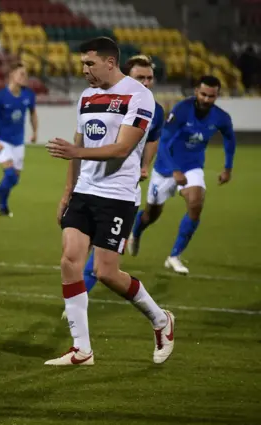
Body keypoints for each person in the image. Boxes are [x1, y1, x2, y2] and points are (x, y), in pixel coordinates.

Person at [45, 37, 175, 366]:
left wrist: (77, 152)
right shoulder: (87, 97)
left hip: (118, 196)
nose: (84, 70)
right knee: (69, 262)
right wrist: (66, 192)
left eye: (90, 64)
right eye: (82, 65)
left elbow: (121, 148)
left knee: (105, 272)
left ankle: (161, 320)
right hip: (85, 191)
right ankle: (82, 349)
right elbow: (78, 144)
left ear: (110, 63)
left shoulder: (139, 96)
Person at [127, 75, 236, 275]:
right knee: (151, 215)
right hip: (165, 168)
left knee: (195, 203)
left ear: (217, 96)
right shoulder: (181, 111)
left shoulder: (221, 117)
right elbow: (164, 143)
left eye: (211, 96)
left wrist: (228, 168)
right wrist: (174, 170)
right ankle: (136, 233)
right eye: (203, 94)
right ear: (196, 91)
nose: (206, 99)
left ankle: (174, 256)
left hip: (193, 167)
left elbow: (230, 138)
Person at [81, 55, 164, 294]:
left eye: (149, 78)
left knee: (101, 254)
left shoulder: (154, 109)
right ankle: (77, 297)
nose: (146, 83)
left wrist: (145, 165)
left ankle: (79, 298)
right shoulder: (102, 99)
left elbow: (154, 138)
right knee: (79, 247)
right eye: (140, 78)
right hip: (90, 183)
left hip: (120, 190)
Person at [0, 62, 38, 217]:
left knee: (14, 179)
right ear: (12, 75)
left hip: (18, 142)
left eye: (26, 74)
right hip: (2, 140)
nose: (25, 77)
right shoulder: (0, 96)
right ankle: (2, 204)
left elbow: (33, 114)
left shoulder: (28, 95)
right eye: (21, 74)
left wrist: (35, 131)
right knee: (9, 174)